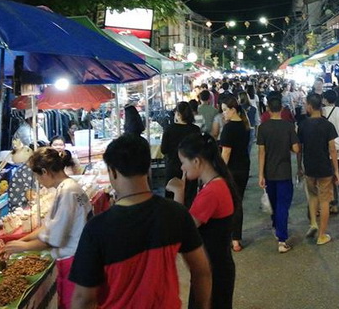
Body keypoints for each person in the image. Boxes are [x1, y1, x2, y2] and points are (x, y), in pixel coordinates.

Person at [70, 134, 211, 309]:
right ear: (148, 168)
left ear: (113, 172)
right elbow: (202, 272)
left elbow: (83, 298)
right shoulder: (176, 213)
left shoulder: (96, 228)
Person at [2, 147, 92, 309]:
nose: (37, 180)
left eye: (36, 175)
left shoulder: (67, 192)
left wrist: (22, 247)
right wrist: (22, 239)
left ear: (44, 171)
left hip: (75, 262)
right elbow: (48, 226)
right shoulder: (68, 187)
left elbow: (54, 239)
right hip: (76, 260)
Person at [168, 133, 238, 309]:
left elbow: (183, 230)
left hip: (213, 270)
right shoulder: (217, 183)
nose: (182, 168)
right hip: (217, 266)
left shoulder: (212, 191)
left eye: (183, 162)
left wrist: (178, 193)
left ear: (197, 161)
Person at [257, 93, 301, 253]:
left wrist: (261, 174)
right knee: (283, 205)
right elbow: (296, 148)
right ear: (281, 109)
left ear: (268, 109)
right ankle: (282, 239)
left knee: (274, 204)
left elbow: (261, 152)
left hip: (269, 172)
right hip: (284, 172)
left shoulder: (263, 128)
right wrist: (289, 146)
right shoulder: (288, 126)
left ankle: (276, 227)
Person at [297, 92, 339, 246]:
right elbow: (332, 149)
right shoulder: (327, 125)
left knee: (313, 196)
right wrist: (336, 170)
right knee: (325, 200)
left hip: (309, 167)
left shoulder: (303, 125)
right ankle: (322, 235)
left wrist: (299, 167)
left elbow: (299, 149)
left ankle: (313, 223)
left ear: (309, 106)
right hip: (324, 168)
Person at [218, 93, 250, 252]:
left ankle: (234, 238)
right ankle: (236, 238)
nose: (223, 113)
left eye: (225, 110)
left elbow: (226, 153)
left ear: (232, 109)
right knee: (238, 202)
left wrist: (220, 172)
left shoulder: (229, 128)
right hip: (244, 166)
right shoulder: (244, 125)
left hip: (232, 169)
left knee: (231, 204)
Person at [161, 101, 201, 207]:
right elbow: (199, 149)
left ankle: (173, 221)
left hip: (173, 167)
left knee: (171, 198)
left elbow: (163, 149)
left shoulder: (169, 129)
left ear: (178, 114)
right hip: (191, 168)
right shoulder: (195, 129)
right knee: (189, 197)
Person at [238, 91, 257, 155]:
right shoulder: (253, 108)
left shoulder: (238, 109)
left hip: (241, 129)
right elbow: (257, 121)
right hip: (251, 129)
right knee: (248, 149)